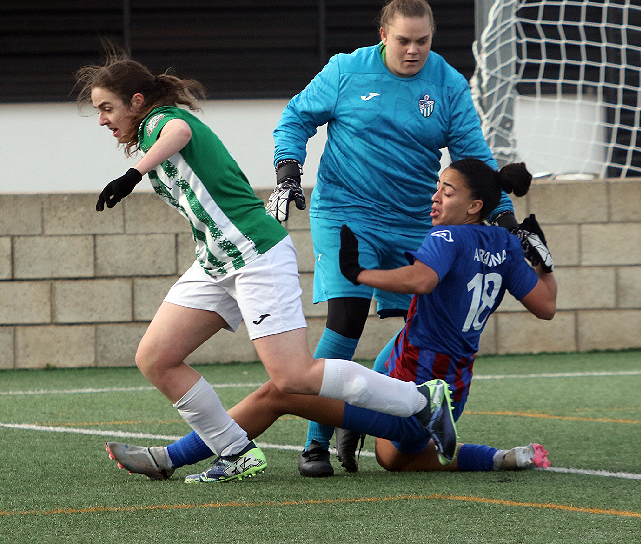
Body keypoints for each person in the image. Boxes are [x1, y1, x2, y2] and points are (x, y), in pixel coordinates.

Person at [79, 52, 457, 484]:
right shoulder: (151, 133)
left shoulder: (159, 122)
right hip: (216, 260)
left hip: (255, 254)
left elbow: (179, 130)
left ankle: (421, 400)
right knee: (155, 358)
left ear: (137, 101)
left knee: (294, 376)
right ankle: (235, 452)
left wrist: (132, 174)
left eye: (107, 108)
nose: (102, 120)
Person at [107, 158, 557, 479]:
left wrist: (360, 274)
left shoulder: (448, 237)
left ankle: (172, 457)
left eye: (448, 191)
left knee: (280, 390)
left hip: (417, 380)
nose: (435, 197)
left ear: (475, 206)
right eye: (438, 187)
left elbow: (422, 280)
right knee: (392, 458)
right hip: (456, 387)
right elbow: (546, 306)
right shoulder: (507, 246)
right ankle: (501, 457)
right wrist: (545, 263)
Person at [265, 0, 552, 477]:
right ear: (383, 35)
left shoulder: (448, 84)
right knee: (346, 319)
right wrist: (288, 172)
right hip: (347, 212)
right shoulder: (346, 70)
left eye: (423, 40)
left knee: (415, 328)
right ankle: (315, 443)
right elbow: (295, 118)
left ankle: (362, 415)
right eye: (403, 40)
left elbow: (475, 159)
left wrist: (506, 220)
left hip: (413, 217)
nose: (413, 50)